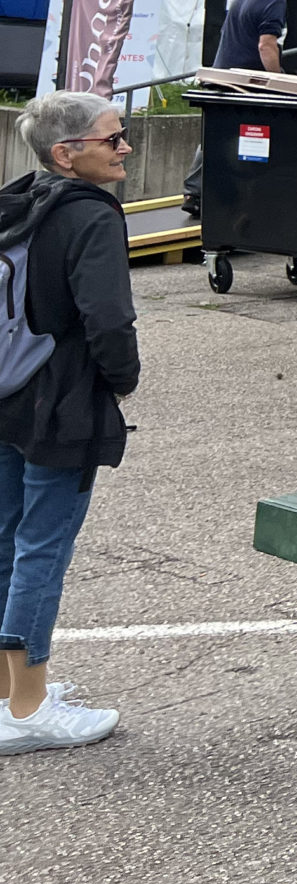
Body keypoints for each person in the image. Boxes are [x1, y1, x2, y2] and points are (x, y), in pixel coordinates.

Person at [0, 90, 139, 754]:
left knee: (6, 541)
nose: (125, 148)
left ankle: (6, 695)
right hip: (59, 407)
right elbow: (107, 318)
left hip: (6, 395)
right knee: (42, 549)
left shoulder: (19, 200)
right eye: (112, 139)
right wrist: (122, 380)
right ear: (69, 152)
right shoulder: (92, 217)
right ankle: (28, 710)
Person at [214, 0, 297, 73]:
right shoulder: (274, 1)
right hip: (247, 76)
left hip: (222, 72)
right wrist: (276, 77)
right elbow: (266, 45)